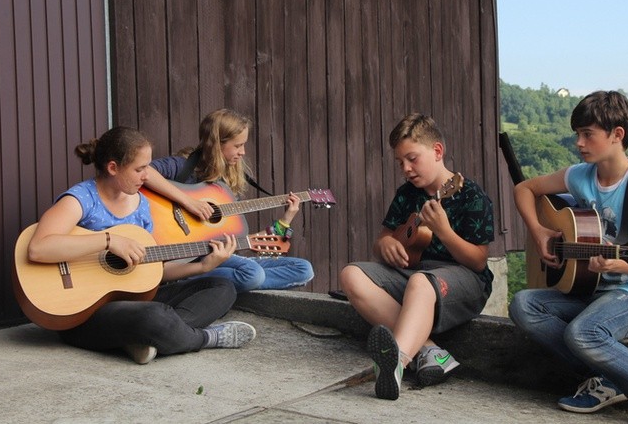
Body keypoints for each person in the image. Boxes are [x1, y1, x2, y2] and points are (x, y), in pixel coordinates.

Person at [508, 91, 628, 424]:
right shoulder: (579, 175)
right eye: (578, 134)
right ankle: (608, 380)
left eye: (588, 134)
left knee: (583, 332)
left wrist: (617, 264)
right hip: (595, 289)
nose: (579, 143)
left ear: (617, 135)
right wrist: (541, 232)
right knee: (524, 305)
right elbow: (523, 189)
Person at [27, 126, 257, 364]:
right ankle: (203, 338)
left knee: (221, 287)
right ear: (113, 168)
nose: (147, 175)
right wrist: (109, 240)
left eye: (147, 167)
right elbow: (39, 248)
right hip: (85, 313)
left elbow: (154, 270)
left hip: (134, 300)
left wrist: (203, 267)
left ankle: (148, 337)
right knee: (152, 316)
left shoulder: (140, 205)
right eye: (139, 169)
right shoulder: (81, 199)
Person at [339, 113, 495, 400]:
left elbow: (478, 262)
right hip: (416, 274)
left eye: (412, 159)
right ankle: (430, 350)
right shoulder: (407, 194)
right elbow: (384, 237)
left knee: (421, 283)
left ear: (437, 151)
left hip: (465, 281)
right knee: (351, 274)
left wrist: (445, 233)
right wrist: (385, 245)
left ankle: (395, 365)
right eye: (400, 163)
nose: (406, 169)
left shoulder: (471, 196)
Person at [144, 108, 314, 292]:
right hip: (182, 258)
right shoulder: (181, 166)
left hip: (215, 254)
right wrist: (188, 201)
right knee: (253, 273)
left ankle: (222, 280)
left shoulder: (225, 185)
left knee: (304, 269)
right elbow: (143, 172)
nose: (243, 152)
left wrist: (286, 219)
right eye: (237, 145)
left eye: (243, 145)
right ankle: (187, 279)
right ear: (216, 144)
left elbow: (249, 243)